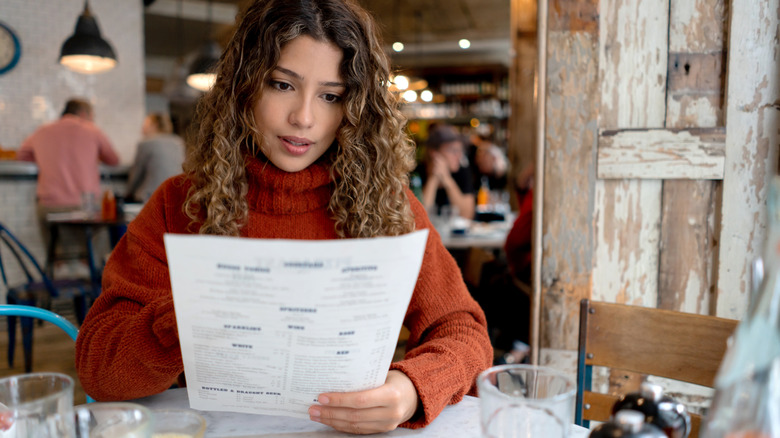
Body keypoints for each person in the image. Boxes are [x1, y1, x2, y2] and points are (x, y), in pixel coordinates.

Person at [75, 0, 493, 434]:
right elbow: (99, 370)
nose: (304, 118)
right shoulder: (180, 203)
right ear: (243, 86)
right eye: (281, 85)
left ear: (355, 109)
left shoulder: (388, 205)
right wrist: (189, 315)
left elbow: (464, 332)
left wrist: (410, 388)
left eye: (331, 96)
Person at [16, 98, 119, 258]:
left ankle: (56, 267)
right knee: (100, 235)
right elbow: (113, 160)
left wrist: (47, 157)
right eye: (92, 116)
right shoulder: (92, 130)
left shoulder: (42, 130)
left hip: (50, 207)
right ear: (84, 114)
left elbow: (21, 155)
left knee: (55, 248)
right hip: (85, 208)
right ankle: (94, 270)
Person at [416, 125, 475, 219]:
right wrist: (433, 179)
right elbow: (420, 217)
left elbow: (467, 215)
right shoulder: (417, 173)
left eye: (460, 150)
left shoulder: (463, 172)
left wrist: (447, 179)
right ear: (434, 153)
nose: (459, 156)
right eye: (453, 150)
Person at [125, 113, 185, 203]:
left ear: (154, 125)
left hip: (150, 197)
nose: (142, 129)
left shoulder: (146, 143)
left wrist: (127, 193)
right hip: (175, 196)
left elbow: (136, 175)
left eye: (145, 125)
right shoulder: (178, 142)